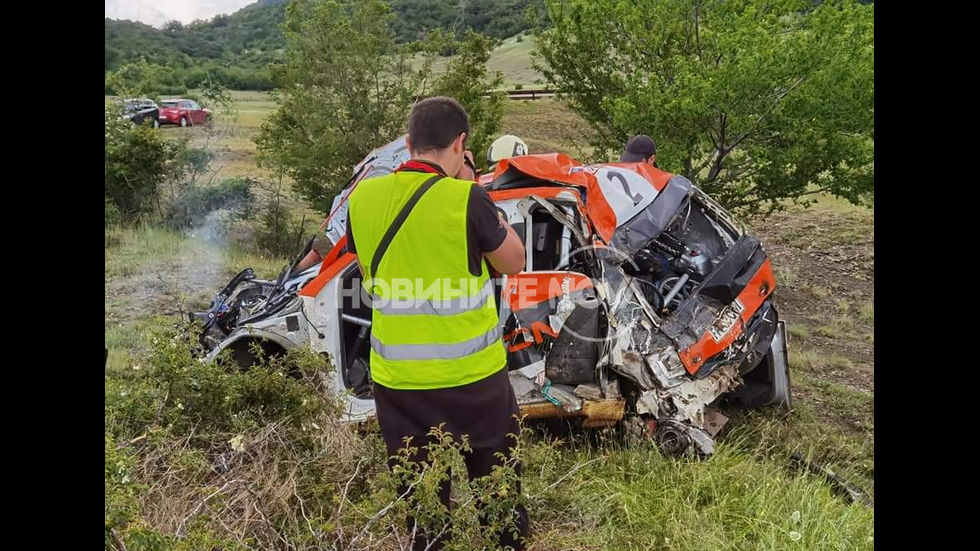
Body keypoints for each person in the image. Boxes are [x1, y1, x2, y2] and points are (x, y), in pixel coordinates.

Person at [347, 96, 529, 551]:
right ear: (461, 143)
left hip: (398, 382)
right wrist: (475, 191)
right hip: (474, 380)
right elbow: (514, 261)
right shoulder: (467, 198)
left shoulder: (363, 198)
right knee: (498, 495)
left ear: (409, 144)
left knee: (423, 503)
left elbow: (365, 259)